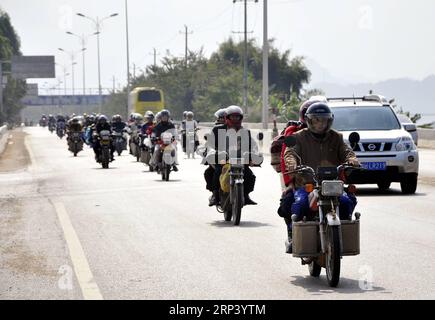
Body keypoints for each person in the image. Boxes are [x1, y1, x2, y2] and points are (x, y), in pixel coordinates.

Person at [279, 102, 360, 253]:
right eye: (316, 120)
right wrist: (292, 163)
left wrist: (352, 160)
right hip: (307, 184)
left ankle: (341, 232)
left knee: (346, 202)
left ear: (329, 121)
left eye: (323, 120)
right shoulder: (299, 137)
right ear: (309, 120)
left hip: (332, 184)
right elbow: (290, 153)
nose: (320, 124)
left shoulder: (336, 137)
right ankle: (293, 235)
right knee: (300, 204)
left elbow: (347, 151)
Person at [208, 105, 259, 207]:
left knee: (250, 175)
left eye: (237, 117)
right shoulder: (217, 130)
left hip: (239, 160)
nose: (235, 119)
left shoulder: (245, 131)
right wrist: (212, 152)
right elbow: (210, 144)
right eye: (233, 117)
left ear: (241, 118)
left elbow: (252, 146)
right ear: (227, 117)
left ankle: (245, 195)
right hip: (223, 159)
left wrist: (254, 155)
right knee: (216, 171)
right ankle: (215, 194)